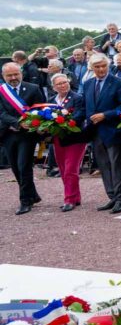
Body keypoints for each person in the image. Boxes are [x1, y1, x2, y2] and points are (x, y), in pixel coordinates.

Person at [84, 54, 121, 213]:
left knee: (116, 166)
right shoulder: (87, 84)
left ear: (108, 66)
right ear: (91, 68)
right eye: (97, 67)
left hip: (114, 130)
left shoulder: (119, 83)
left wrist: (106, 115)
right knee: (104, 166)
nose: (100, 69)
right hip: (95, 131)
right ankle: (112, 196)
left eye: (103, 66)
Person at [1, 62, 45, 214]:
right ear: (3, 76)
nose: (13, 78)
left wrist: (31, 124)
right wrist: (17, 123)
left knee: (23, 166)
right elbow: (1, 113)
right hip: (8, 133)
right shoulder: (1, 91)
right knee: (14, 167)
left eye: (16, 74)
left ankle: (25, 200)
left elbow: (41, 109)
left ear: (21, 73)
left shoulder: (33, 88)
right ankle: (33, 195)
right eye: (9, 75)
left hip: (27, 135)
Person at [49, 73, 88, 212]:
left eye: (65, 82)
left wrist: (65, 122)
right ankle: (75, 197)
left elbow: (80, 115)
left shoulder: (77, 98)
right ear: (54, 87)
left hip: (75, 138)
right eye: (59, 83)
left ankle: (69, 199)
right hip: (58, 138)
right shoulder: (51, 100)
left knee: (71, 169)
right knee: (63, 169)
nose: (63, 85)